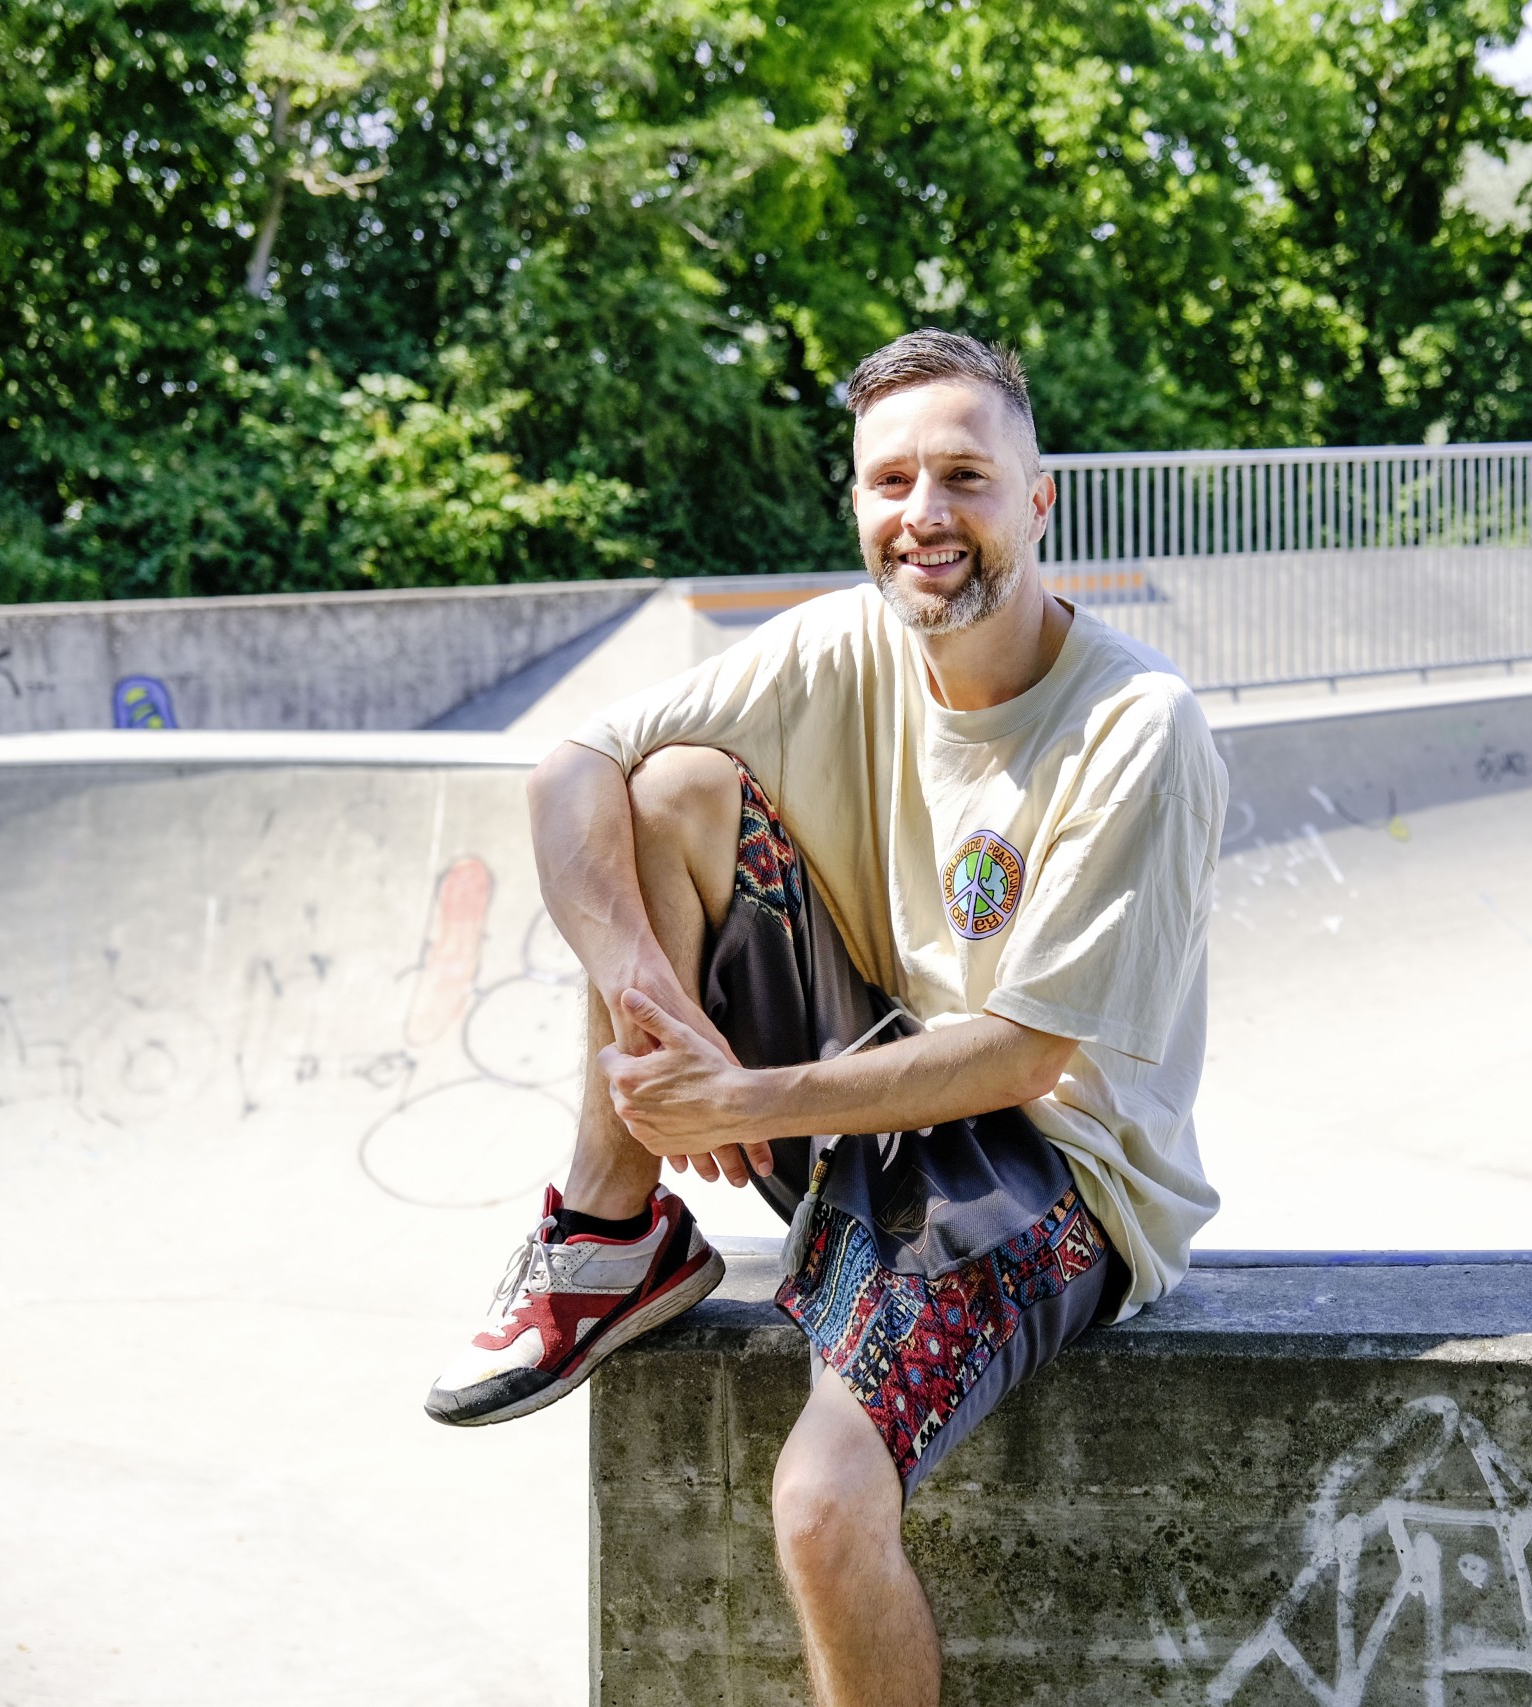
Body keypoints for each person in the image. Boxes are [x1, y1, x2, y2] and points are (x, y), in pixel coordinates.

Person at [425, 330, 1225, 1706]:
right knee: (671, 790)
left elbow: (1028, 1052)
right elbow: (569, 772)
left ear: (1039, 502)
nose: (925, 514)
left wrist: (742, 1101)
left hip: (1046, 1164)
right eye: (891, 481)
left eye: (965, 477)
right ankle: (610, 1240)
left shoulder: (1135, 725)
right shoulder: (839, 644)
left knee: (819, 1505)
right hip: (860, 1077)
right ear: (857, 503)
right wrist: (658, 1010)